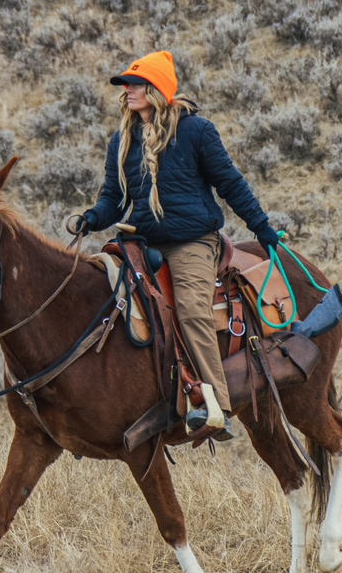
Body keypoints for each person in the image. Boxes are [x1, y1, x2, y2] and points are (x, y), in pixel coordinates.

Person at [71, 50, 279, 439]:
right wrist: (90, 218)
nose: (127, 91)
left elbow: (230, 183)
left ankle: (214, 405)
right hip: (141, 240)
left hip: (192, 242)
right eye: (126, 86)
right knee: (108, 300)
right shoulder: (122, 139)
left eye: (135, 84)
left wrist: (262, 227)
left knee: (190, 308)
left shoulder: (197, 131)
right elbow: (113, 199)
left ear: (156, 89)